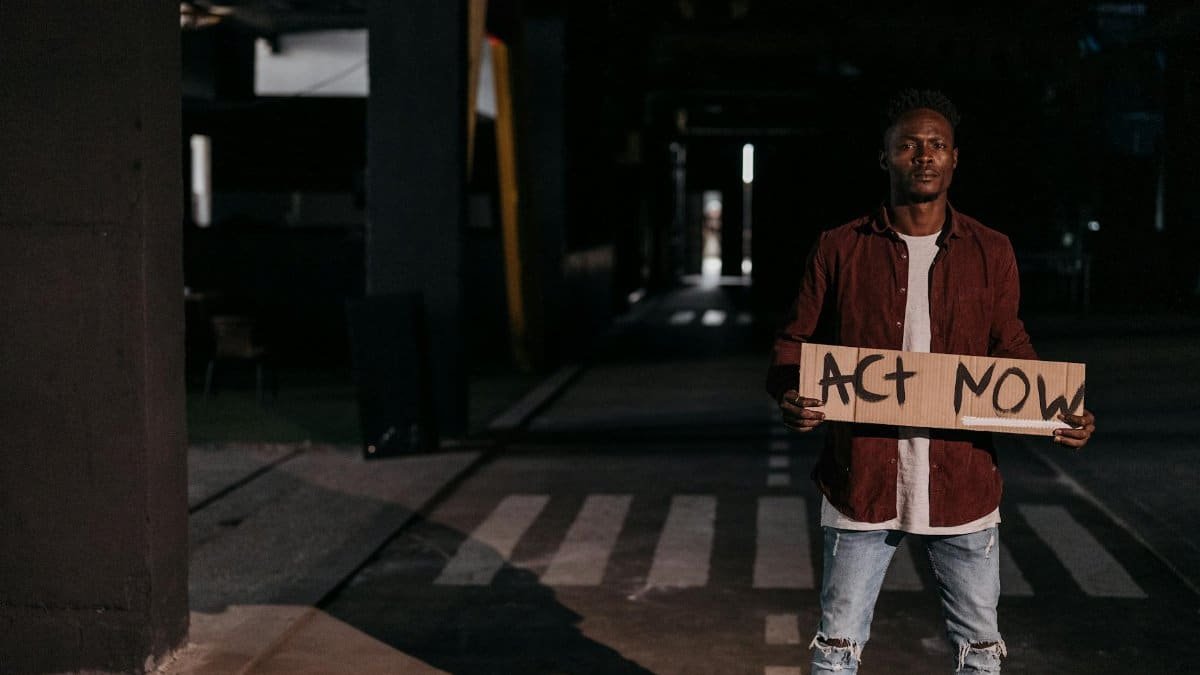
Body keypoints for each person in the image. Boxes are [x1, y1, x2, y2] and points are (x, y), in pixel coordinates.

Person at [766, 89, 1096, 673]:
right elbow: (794, 343)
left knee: (980, 651)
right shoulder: (840, 247)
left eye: (936, 145)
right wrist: (792, 390)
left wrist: (1056, 410)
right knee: (837, 647)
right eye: (909, 145)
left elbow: (1009, 345)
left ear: (955, 159)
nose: (924, 155)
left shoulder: (991, 251)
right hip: (861, 479)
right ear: (885, 156)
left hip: (961, 482)